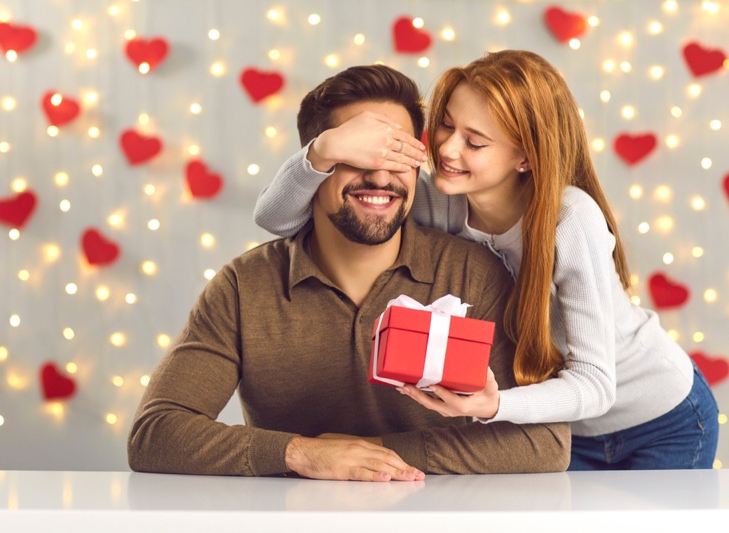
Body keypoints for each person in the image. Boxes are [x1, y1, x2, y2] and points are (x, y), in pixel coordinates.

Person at [253, 50, 719, 471]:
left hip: (661, 419)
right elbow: (279, 220)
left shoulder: (569, 220)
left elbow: (597, 386)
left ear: (525, 158)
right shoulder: (442, 201)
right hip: (564, 431)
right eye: (446, 126)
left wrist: (494, 407)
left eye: (475, 142)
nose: (448, 150)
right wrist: (322, 151)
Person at [128, 64, 571, 481]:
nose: (381, 176)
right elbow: (155, 434)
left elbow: (546, 442)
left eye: (397, 154)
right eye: (358, 154)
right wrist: (303, 454)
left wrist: (370, 454)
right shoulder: (245, 287)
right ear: (315, 166)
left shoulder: (474, 273)